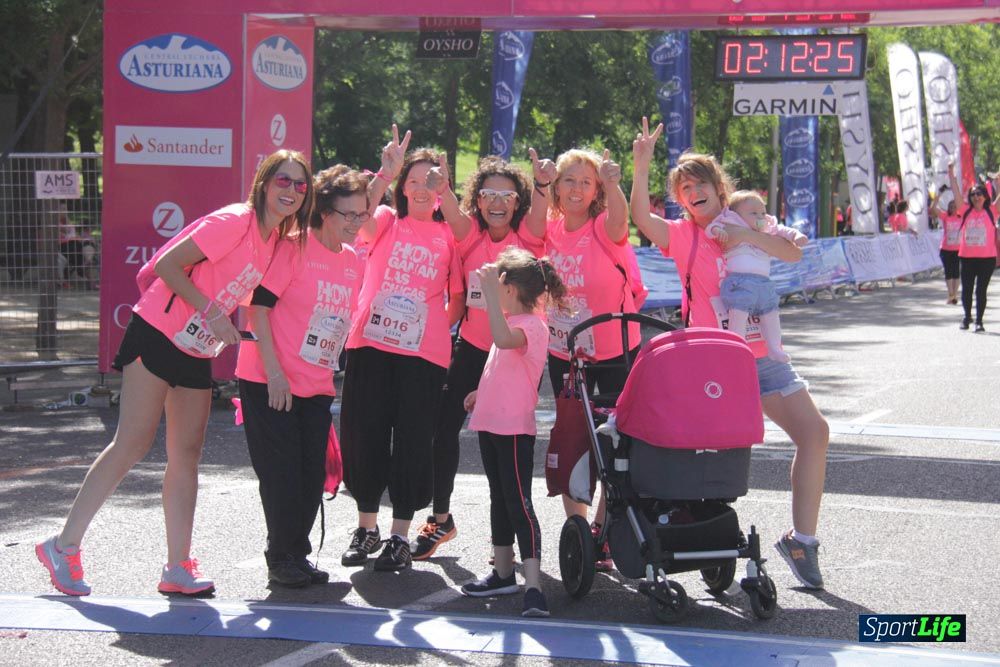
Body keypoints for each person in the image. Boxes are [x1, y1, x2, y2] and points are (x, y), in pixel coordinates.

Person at [36, 149, 312, 596]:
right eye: (284, 181)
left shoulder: (276, 240)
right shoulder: (234, 221)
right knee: (133, 441)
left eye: (301, 186)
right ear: (263, 182)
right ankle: (62, 546)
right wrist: (210, 310)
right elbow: (166, 265)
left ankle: (177, 567)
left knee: (187, 450)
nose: (292, 192)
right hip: (159, 331)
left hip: (195, 345)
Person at [631, 117, 830, 590]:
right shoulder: (684, 236)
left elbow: (794, 255)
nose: (692, 193)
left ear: (718, 188)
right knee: (702, 459)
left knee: (815, 433)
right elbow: (641, 219)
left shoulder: (747, 218)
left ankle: (802, 540)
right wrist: (642, 165)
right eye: (683, 189)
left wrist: (746, 236)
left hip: (761, 357)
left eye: (699, 184)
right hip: (713, 363)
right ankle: (678, 531)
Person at [338, 131, 465, 572]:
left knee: (413, 443)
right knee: (364, 433)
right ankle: (366, 528)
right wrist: (383, 172)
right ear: (402, 186)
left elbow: (460, 299)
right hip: (370, 345)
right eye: (413, 180)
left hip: (423, 357)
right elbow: (359, 218)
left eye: (431, 179)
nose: (421, 187)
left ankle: (399, 536)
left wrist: (432, 329)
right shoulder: (387, 219)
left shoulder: (451, 233)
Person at [235, 165, 367, 588]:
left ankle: (297, 553)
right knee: (282, 474)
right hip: (269, 380)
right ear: (325, 212)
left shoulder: (354, 261)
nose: (355, 223)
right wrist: (274, 374)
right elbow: (258, 309)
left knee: (313, 475)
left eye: (362, 215)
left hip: (316, 384)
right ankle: (281, 556)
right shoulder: (294, 249)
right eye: (348, 215)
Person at [413, 155, 542, 561]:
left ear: (518, 201)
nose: (498, 203)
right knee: (442, 432)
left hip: (514, 357)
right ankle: (440, 519)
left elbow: (541, 211)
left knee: (504, 451)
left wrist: (542, 184)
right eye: (489, 195)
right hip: (471, 350)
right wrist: (442, 187)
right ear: (479, 201)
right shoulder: (469, 236)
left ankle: (501, 542)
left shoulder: (530, 237)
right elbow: (450, 211)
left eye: (507, 195)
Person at [522, 146, 640, 572]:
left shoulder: (604, 227)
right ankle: (580, 531)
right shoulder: (550, 229)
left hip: (613, 350)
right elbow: (531, 228)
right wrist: (538, 183)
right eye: (568, 179)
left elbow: (621, 219)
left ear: (595, 191)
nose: (576, 188)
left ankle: (605, 529)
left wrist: (614, 180)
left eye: (585, 182)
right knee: (574, 436)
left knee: (613, 439)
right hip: (563, 352)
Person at [459, 247, 568, 618]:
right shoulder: (510, 322)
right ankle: (503, 572)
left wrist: (489, 296)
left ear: (510, 288)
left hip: (513, 430)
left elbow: (507, 341)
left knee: (519, 503)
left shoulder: (531, 325)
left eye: (498, 284)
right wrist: (480, 391)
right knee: (499, 498)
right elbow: (505, 366)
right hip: (491, 423)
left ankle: (534, 585)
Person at [705, 190, 808, 363]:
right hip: (740, 280)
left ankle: (775, 348)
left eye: (762, 212)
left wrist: (796, 236)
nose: (760, 216)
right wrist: (717, 230)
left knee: (771, 312)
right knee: (739, 313)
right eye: (753, 213)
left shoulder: (767, 226)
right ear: (736, 214)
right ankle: (736, 346)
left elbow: (783, 230)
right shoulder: (730, 222)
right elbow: (711, 228)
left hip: (764, 282)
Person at [948, 163, 999, 332]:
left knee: (981, 290)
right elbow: (956, 193)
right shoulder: (964, 210)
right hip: (967, 258)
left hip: (987, 259)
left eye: (979, 194)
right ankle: (966, 316)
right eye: (973, 194)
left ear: (985, 196)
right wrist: (951, 175)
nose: (976, 197)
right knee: (967, 289)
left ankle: (979, 321)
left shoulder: (993, 211)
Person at [929, 186, 962, 305]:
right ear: (948, 208)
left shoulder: (961, 217)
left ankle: (954, 295)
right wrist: (939, 194)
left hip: (958, 249)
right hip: (945, 249)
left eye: (955, 207)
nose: (953, 208)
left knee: (956, 272)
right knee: (948, 271)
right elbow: (933, 208)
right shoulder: (945, 216)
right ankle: (950, 294)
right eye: (951, 207)